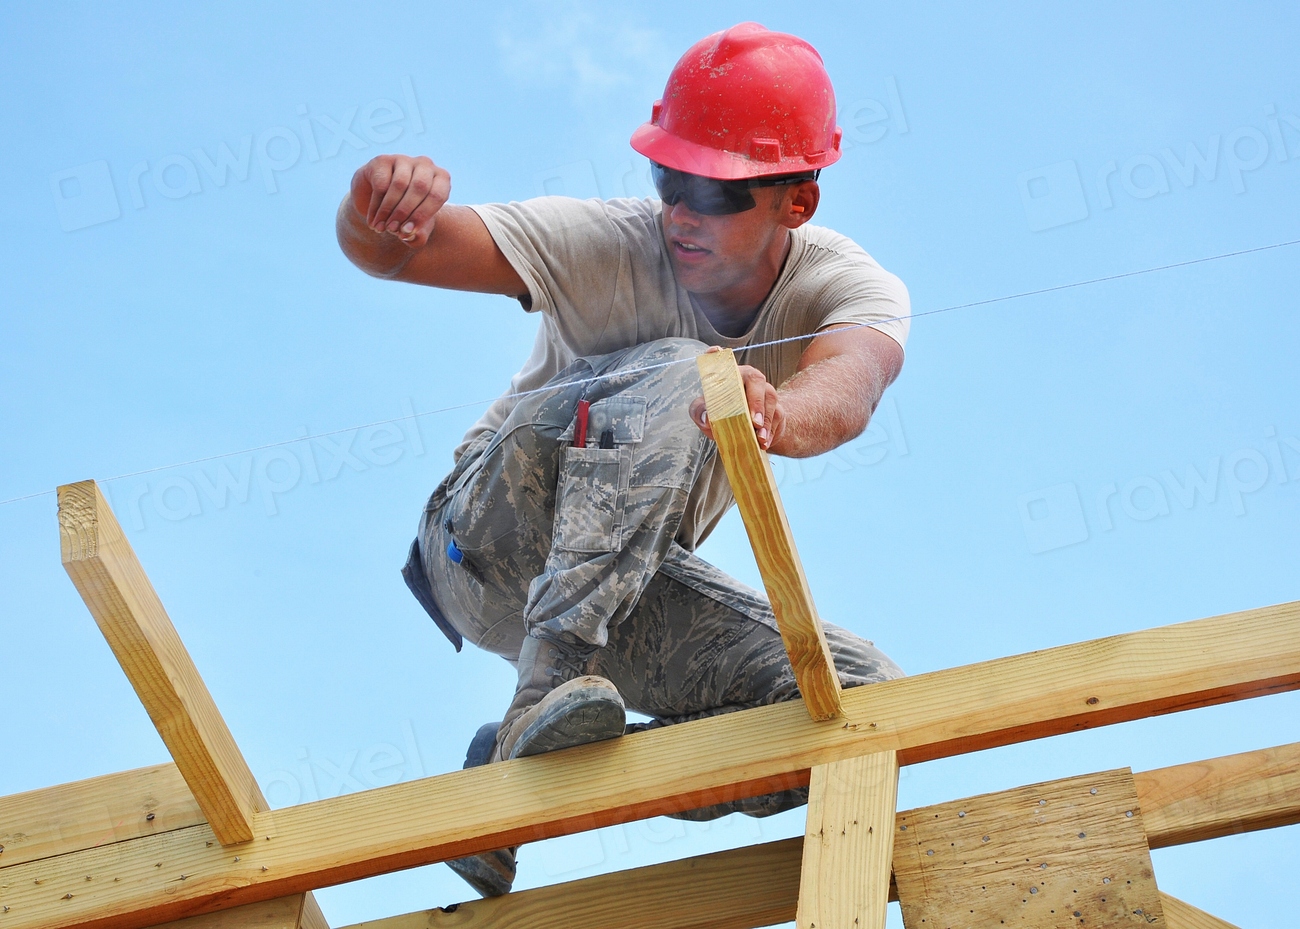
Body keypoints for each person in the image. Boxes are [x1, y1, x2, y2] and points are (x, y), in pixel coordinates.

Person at [336, 22, 909, 898]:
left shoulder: (846, 282)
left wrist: (783, 413)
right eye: (668, 178)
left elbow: (855, 377)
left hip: (623, 586)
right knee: (692, 366)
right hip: (483, 538)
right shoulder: (605, 242)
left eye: (715, 194)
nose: (681, 211)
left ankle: (528, 777)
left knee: (861, 702)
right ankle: (548, 689)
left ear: (796, 203)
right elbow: (394, 252)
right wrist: (376, 209)